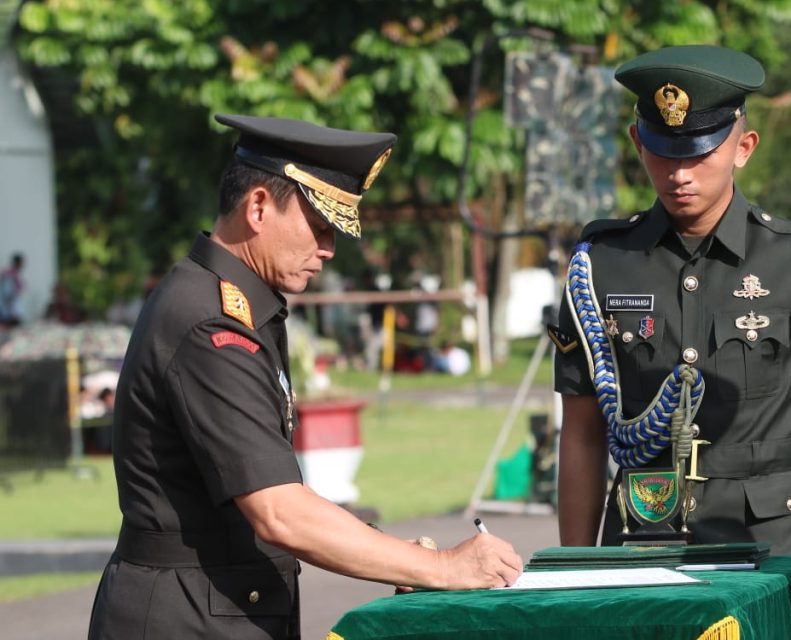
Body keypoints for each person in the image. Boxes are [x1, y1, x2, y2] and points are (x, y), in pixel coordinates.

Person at [88, 114, 521, 640]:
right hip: (185, 620)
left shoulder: (231, 304)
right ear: (258, 207)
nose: (329, 249)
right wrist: (442, 568)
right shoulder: (212, 322)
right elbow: (279, 511)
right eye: (319, 227)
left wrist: (397, 556)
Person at [551, 43, 791, 627]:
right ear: (637, 142)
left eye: (699, 153)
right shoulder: (600, 264)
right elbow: (582, 435)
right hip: (642, 546)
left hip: (773, 552)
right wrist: (577, 574)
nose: (679, 174)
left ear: (743, 147)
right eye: (664, 152)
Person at [0, 252, 24, 328]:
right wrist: (13, 313)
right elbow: (8, 295)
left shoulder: (15, 274)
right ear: (18, 262)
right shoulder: (9, 275)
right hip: (10, 314)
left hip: (12, 312)